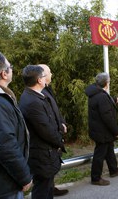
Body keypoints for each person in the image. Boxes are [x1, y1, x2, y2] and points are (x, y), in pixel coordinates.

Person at [19, 65, 66, 198]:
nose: (47, 78)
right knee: (42, 190)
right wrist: (60, 140)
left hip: (45, 154)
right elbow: (46, 130)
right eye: (45, 76)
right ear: (40, 80)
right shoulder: (33, 101)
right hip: (42, 155)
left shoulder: (35, 96)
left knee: (47, 188)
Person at [0, 52, 32, 199]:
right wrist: (24, 176)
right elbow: (5, 144)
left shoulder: (4, 99)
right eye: (10, 67)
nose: (12, 70)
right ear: (4, 73)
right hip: (5, 185)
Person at [85, 72, 118, 186]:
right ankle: (95, 178)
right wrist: (116, 132)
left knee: (109, 150)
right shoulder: (101, 96)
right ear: (106, 83)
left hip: (99, 130)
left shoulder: (95, 92)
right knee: (100, 155)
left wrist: (114, 99)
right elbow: (107, 117)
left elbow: (103, 101)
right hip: (102, 131)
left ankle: (114, 170)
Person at [39, 64, 69, 196]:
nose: (51, 74)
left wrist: (62, 122)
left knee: (51, 167)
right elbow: (46, 119)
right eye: (49, 72)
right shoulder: (40, 93)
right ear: (42, 76)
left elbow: (54, 110)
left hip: (56, 132)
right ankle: (49, 188)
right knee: (46, 172)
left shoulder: (47, 89)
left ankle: (51, 187)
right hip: (46, 142)